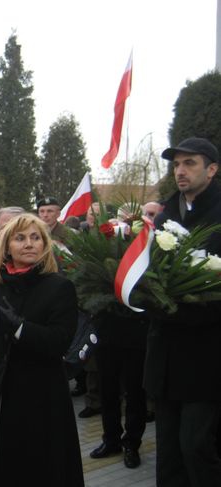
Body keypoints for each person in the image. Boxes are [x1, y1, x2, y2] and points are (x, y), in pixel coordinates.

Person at [0, 213, 83, 487]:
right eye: (20, 238)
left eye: (36, 238)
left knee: (39, 469)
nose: (29, 244)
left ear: (45, 244)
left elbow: (59, 342)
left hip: (42, 395)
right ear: (7, 246)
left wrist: (19, 327)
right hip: (1, 391)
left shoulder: (60, 287)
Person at [144, 137, 221, 486]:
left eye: (190, 163)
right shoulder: (166, 214)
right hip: (166, 353)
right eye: (176, 164)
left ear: (212, 169)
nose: (180, 171)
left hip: (207, 354)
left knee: (197, 446)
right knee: (170, 450)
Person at [89, 309, 148, 468]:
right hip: (106, 329)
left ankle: (132, 444)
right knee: (107, 390)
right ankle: (111, 440)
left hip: (135, 329)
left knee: (135, 391)